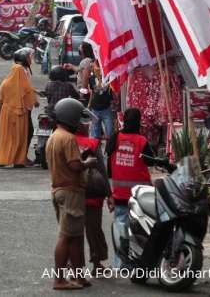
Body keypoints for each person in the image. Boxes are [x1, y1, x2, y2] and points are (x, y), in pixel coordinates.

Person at [45, 98, 98, 290]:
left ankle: (78, 276)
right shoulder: (67, 138)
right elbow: (75, 165)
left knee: (75, 236)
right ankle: (59, 279)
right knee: (66, 236)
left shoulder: (54, 136)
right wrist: (88, 163)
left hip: (60, 190)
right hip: (70, 192)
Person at [105, 107, 156, 267]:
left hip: (119, 194)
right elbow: (151, 161)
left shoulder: (114, 138)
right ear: (138, 122)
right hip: (139, 196)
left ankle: (120, 264)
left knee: (121, 229)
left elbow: (109, 165)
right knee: (138, 231)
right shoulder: (141, 141)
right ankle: (137, 263)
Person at [0, 48, 39, 168]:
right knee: (22, 136)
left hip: (6, 112)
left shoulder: (5, 83)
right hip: (20, 112)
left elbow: (0, 100)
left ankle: (4, 159)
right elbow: (27, 92)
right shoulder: (23, 73)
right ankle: (20, 159)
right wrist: (35, 101)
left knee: (7, 137)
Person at [75, 130, 111, 276]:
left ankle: (74, 267)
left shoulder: (64, 140)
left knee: (74, 232)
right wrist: (109, 195)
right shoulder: (93, 143)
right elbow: (102, 170)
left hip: (74, 193)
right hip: (94, 194)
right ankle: (97, 264)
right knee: (94, 230)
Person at [89, 60, 115, 140]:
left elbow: (113, 91)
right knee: (95, 135)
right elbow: (92, 92)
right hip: (95, 109)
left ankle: (108, 149)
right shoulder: (91, 78)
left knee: (110, 133)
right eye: (92, 67)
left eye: (94, 66)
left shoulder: (109, 77)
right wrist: (89, 104)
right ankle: (95, 150)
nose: (93, 68)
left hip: (106, 109)